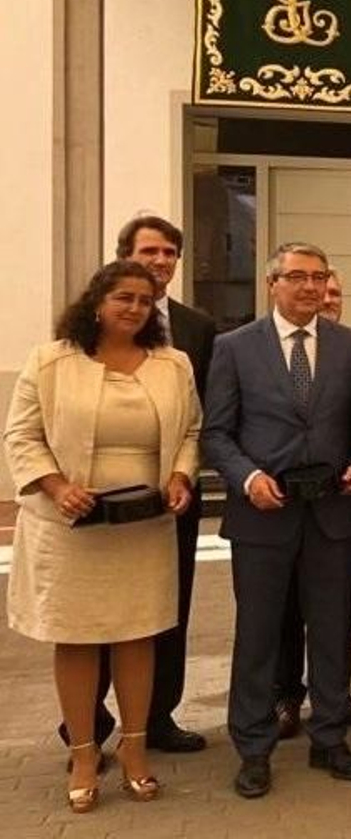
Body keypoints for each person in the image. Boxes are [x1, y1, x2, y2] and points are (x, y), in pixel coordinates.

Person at [5, 260, 200, 811]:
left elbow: (191, 429)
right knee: (79, 637)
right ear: (97, 301)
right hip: (70, 526)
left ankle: (136, 753)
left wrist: (181, 476)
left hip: (142, 526)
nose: (135, 308)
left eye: (143, 299)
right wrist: (56, 484)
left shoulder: (173, 362)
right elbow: (20, 434)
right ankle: (86, 755)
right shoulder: (51, 361)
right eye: (123, 298)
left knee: (138, 637)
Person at [203, 243, 351, 797]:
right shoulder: (234, 347)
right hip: (263, 516)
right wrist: (249, 479)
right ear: (271, 283)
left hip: (332, 514)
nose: (309, 287)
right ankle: (253, 747)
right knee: (258, 637)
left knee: (331, 631)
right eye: (296, 277)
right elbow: (217, 433)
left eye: (318, 277)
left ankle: (329, 737)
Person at [83, 216, 214, 755]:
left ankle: (158, 717)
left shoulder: (198, 328)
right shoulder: (90, 322)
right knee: (95, 614)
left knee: (167, 609)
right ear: (125, 255)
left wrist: (187, 470)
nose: (162, 261)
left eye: (170, 253)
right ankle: (87, 723)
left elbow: (200, 413)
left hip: (171, 497)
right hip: (98, 499)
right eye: (151, 250)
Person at [275, 266, 351, 741]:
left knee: (337, 610)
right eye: (317, 290)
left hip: (337, 509)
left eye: (334, 293)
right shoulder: (261, 348)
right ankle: (285, 696)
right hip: (278, 507)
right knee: (284, 611)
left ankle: (334, 695)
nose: (325, 299)